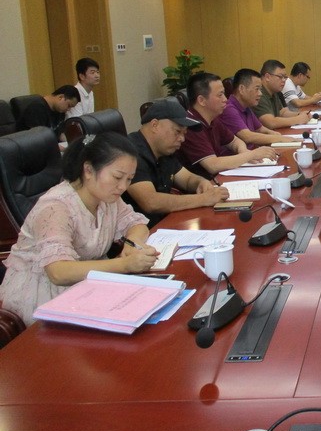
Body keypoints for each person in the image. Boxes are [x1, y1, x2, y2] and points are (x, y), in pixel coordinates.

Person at [0, 132, 159, 326]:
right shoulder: (55, 207)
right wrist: (124, 265)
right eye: (117, 177)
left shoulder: (107, 197)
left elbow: (137, 224)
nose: (123, 187)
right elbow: (58, 272)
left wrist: (132, 244)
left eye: (129, 179)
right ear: (88, 170)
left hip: (89, 286)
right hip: (43, 299)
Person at [124, 97, 229, 227]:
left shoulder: (164, 151)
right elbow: (151, 202)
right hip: (142, 233)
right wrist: (203, 199)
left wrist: (201, 182)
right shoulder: (130, 153)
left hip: (166, 225)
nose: (182, 139)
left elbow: (187, 179)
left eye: (184, 133)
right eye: (178, 132)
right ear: (155, 125)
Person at [177, 72, 278, 180]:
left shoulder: (213, 119)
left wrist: (243, 151)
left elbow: (235, 141)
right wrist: (250, 155)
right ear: (201, 100)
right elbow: (212, 165)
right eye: (220, 95)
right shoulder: (190, 125)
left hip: (218, 179)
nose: (225, 99)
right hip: (204, 185)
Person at [219, 68, 298, 148]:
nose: (260, 93)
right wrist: (279, 139)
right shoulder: (228, 109)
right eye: (257, 89)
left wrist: (275, 134)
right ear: (242, 89)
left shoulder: (247, 106)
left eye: (260, 89)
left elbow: (260, 129)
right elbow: (248, 136)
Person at [253, 60, 310, 129]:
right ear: (267, 77)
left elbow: (283, 112)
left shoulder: (274, 91)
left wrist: (299, 114)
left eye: (285, 77)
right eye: (280, 77)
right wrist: (297, 119)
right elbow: (270, 122)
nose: (284, 80)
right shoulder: (258, 94)